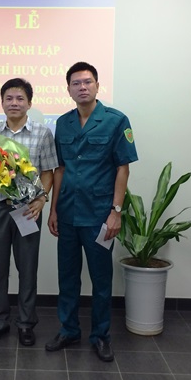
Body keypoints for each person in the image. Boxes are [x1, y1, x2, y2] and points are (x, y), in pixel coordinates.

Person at [45, 62, 138, 362]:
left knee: (101, 279)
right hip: (68, 214)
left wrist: (116, 211)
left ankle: (100, 336)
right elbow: (60, 169)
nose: (82, 87)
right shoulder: (63, 123)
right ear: (68, 89)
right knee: (67, 277)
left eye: (87, 82)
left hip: (99, 215)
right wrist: (53, 209)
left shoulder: (116, 120)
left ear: (98, 85)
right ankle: (69, 330)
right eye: (76, 83)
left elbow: (122, 168)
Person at [0, 78, 58, 346]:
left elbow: (49, 172)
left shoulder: (42, 133)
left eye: (20, 98)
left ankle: (25, 323)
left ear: (29, 103)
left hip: (28, 209)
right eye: (9, 98)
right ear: (1, 103)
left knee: (28, 268)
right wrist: (0, 179)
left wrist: (42, 199)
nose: (14, 103)